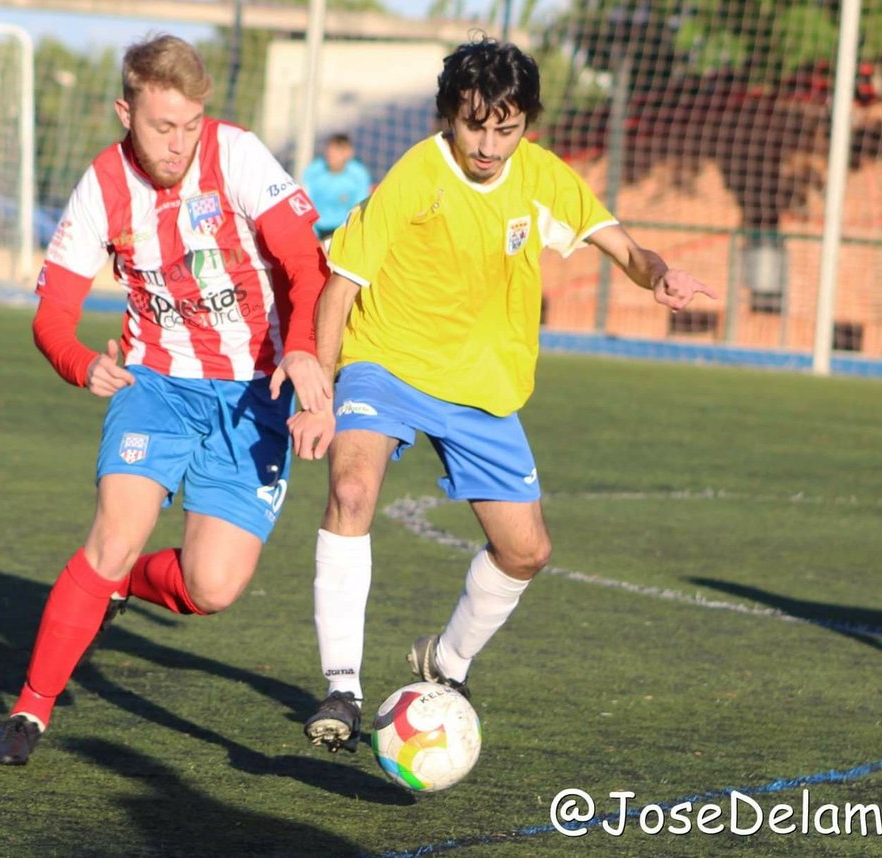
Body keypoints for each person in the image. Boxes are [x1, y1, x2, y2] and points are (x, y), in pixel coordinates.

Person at [290, 36, 717, 753]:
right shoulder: (415, 175)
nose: (487, 145)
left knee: (526, 551)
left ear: (527, 123)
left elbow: (627, 251)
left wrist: (661, 275)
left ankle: (446, 665)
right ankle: (343, 689)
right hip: (386, 362)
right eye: (473, 125)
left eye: (505, 128)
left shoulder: (543, 178)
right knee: (353, 491)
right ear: (447, 116)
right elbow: (341, 287)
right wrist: (321, 396)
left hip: (483, 385)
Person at [0, 34, 331, 765]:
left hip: (254, 393)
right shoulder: (103, 185)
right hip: (156, 385)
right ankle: (28, 713)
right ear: (125, 112)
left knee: (213, 586)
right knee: (113, 534)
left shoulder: (236, 155)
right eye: (161, 126)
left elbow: (306, 262)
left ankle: (123, 587)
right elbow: (53, 316)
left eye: (189, 126)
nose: (178, 144)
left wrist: (301, 350)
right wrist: (81, 363)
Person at [302, 133, 372, 243]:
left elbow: (360, 208)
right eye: (330, 152)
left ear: (348, 153)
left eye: (337, 152)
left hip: (343, 230)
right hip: (315, 228)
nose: (332, 155)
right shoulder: (313, 171)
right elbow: (304, 203)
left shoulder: (359, 175)